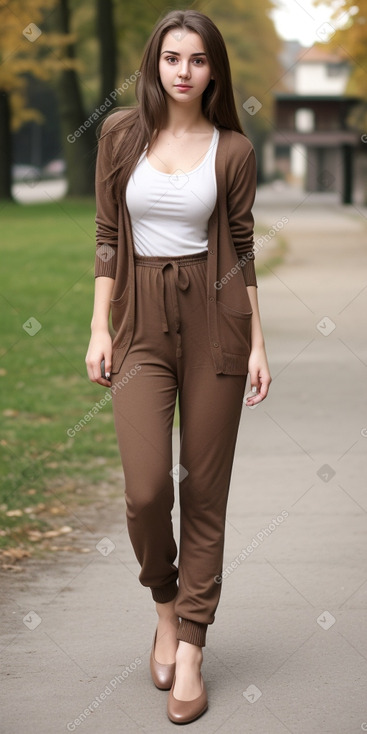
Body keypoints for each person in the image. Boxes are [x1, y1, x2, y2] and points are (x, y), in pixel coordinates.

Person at [85, 8, 271, 725]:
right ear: (154, 64)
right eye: (172, 58)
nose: (183, 70)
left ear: (213, 70)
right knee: (143, 490)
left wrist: (257, 343)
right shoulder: (120, 134)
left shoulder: (232, 149)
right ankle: (164, 602)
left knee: (204, 488)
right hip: (138, 322)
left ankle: (190, 641)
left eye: (197, 59)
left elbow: (242, 248)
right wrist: (99, 326)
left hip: (214, 321)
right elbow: (107, 234)